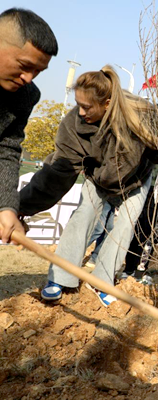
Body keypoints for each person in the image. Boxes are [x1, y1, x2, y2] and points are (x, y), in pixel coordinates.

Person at [19, 65, 158, 306]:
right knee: (82, 214)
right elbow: (57, 172)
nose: (80, 112)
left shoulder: (136, 119)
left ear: (106, 104)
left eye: (87, 107)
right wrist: (19, 206)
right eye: (78, 104)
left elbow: (122, 169)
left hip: (136, 177)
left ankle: (104, 281)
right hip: (98, 175)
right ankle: (59, 277)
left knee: (126, 224)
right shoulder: (73, 124)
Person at [0, 8, 57, 244]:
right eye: (24, 65)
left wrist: (6, 207)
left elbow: (6, 149)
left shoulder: (25, 95)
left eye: (38, 71)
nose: (28, 78)